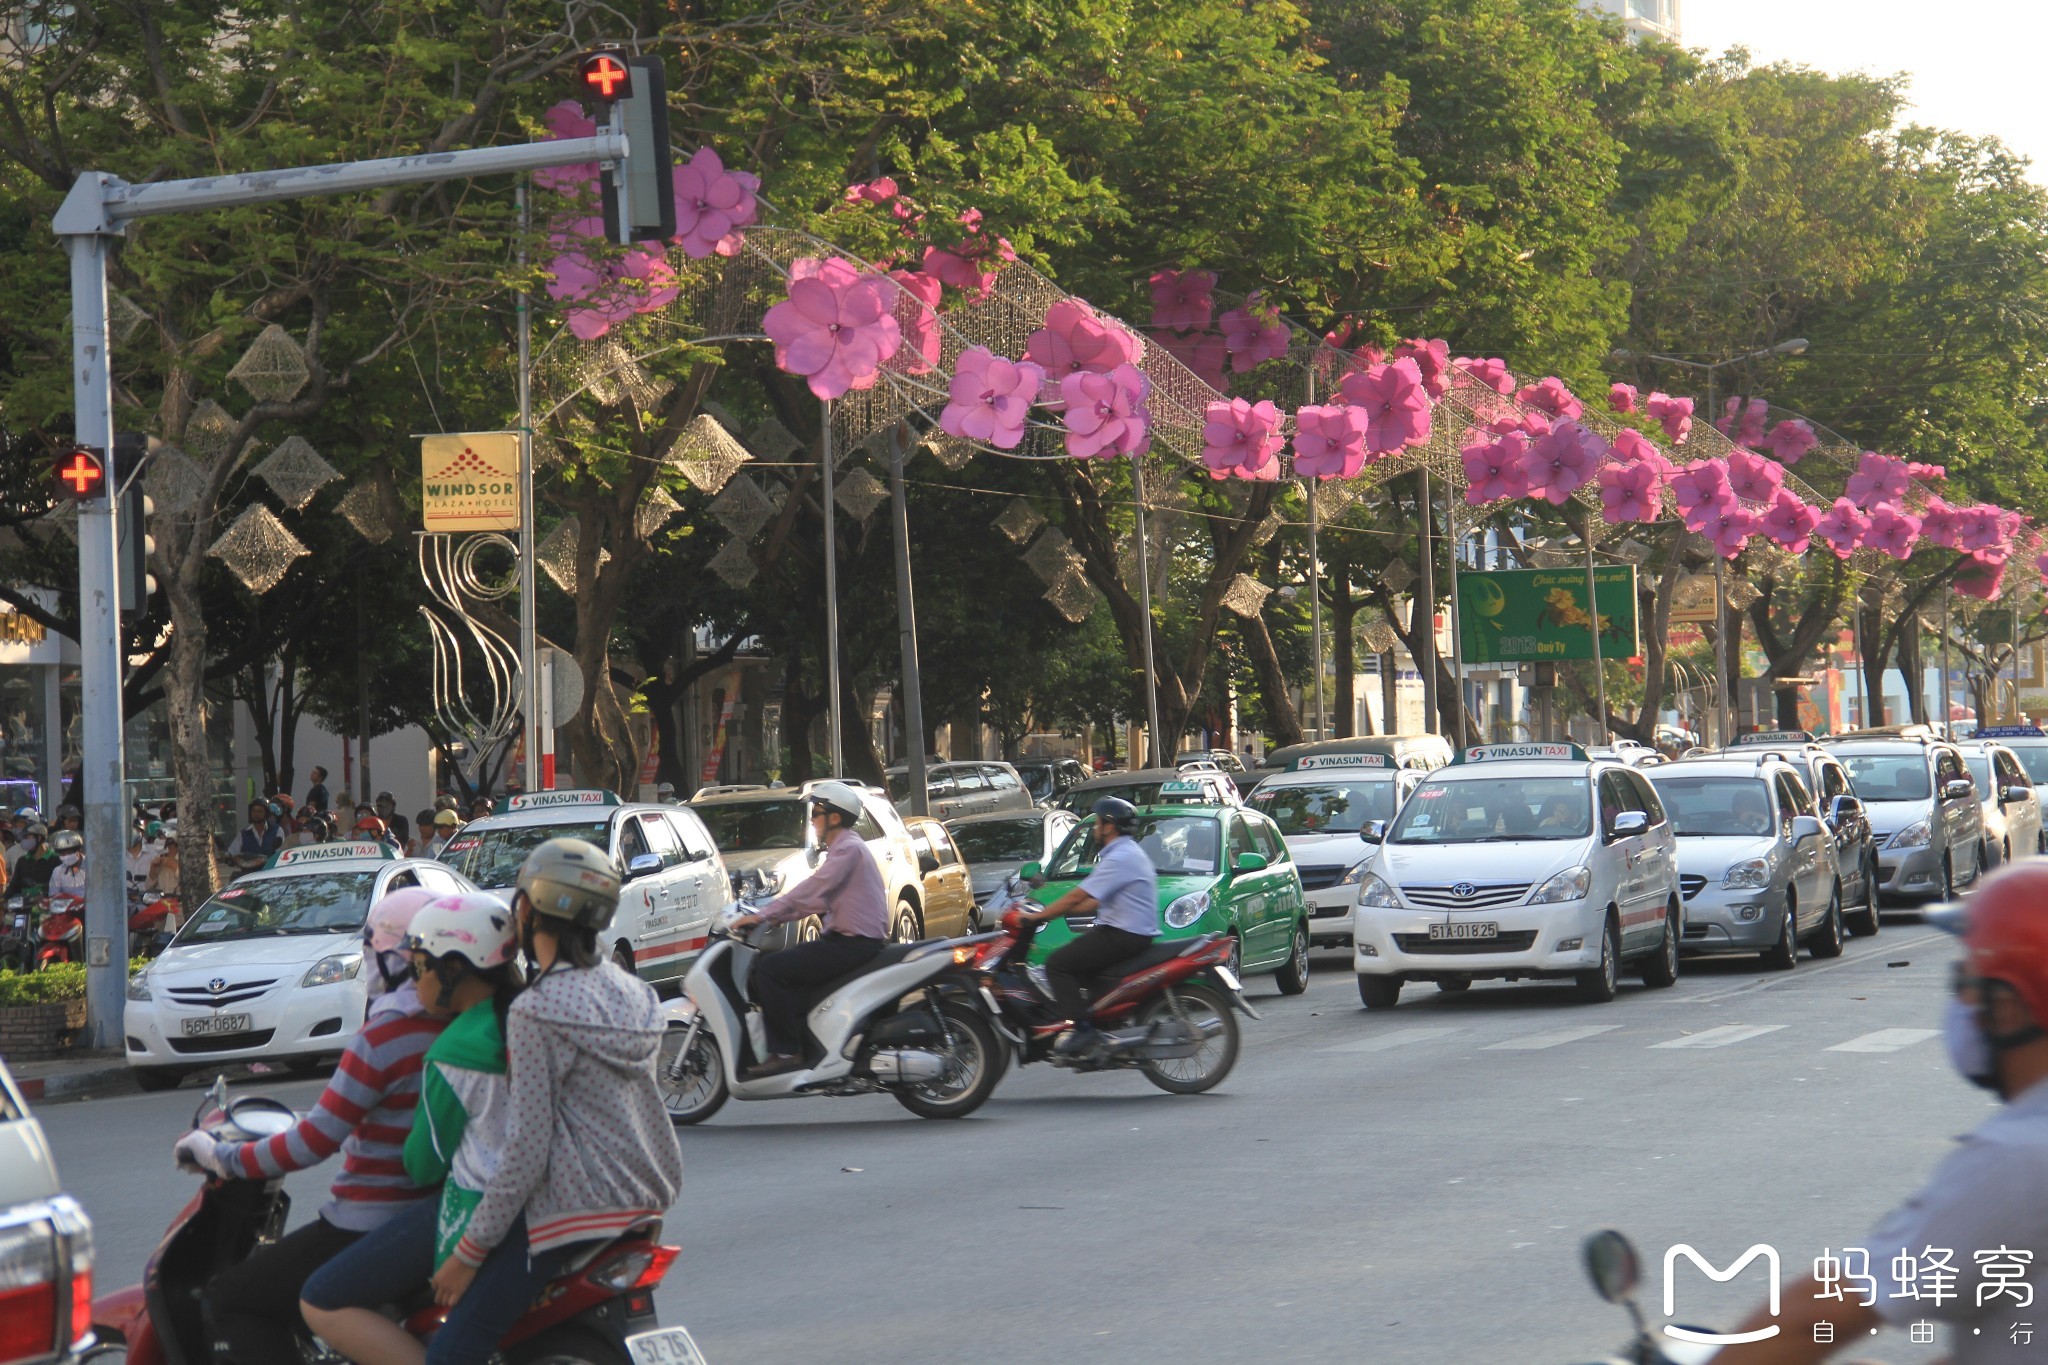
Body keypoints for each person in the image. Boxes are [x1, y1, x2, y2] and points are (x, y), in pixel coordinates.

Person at [303, 844, 681, 1365]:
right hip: (640, 1200)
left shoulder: (536, 1010)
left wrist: (469, 1252)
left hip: (562, 1216)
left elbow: (525, 1146)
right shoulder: (632, 992)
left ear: (526, 909)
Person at [1714, 861, 2048, 1363]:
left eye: (1968, 980)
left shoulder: (2018, 1160)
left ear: (2007, 1008)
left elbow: (1814, 1320)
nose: (1961, 1002)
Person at [175, 889, 447, 1365]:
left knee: (230, 1297)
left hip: (371, 1220)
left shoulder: (385, 1036)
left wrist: (222, 1156)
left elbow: (316, 1143)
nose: (367, 965)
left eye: (371, 952)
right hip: (430, 1215)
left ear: (399, 959)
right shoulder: (456, 1022)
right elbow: (359, 1117)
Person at [729, 781, 888, 1075]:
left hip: (852, 944)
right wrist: (771, 917)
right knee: (786, 971)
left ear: (835, 818)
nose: (812, 819)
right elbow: (814, 900)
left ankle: (786, 1052)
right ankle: (807, 1046)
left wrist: (765, 915)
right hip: (849, 941)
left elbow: (812, 890)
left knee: (770, 970)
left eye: (817, 812)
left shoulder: (848, 850)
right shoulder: (846, 849)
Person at [1012, 795, 1159, 1054]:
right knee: (1080, 966)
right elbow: (1090, 903)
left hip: (1122, 934)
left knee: (1058, 965)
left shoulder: (1119, 857)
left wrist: (1038, 917)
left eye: (1097, 823)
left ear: (1109, 826)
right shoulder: (1125, 852)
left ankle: (1084, 1030)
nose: (1094, 829)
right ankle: (1101, 1023)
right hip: (1128, 932)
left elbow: (1078, 896)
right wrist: (1054, 912)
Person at [232, 800, 283, 871]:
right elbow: (232, 853)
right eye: (253, 811)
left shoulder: (277, 830)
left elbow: (280, 854)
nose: (256, 814)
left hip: (270, 873)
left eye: (260, 811)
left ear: (266, 813)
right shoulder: (243, 834)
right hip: (248, 875)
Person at [10, 824, 53, 894]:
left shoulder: (55, 859)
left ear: (39, 838)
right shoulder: (22, 861)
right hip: (24, 903)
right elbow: (12, 887)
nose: (23, 841)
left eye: (26, 838)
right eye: (23, 838)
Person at [47, 829, 86, 898]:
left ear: (79, 850)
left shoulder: (92, 868)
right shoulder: (57, 872)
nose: (66, 857)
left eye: (69, 852)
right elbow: (53, 897)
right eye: (62, 854)